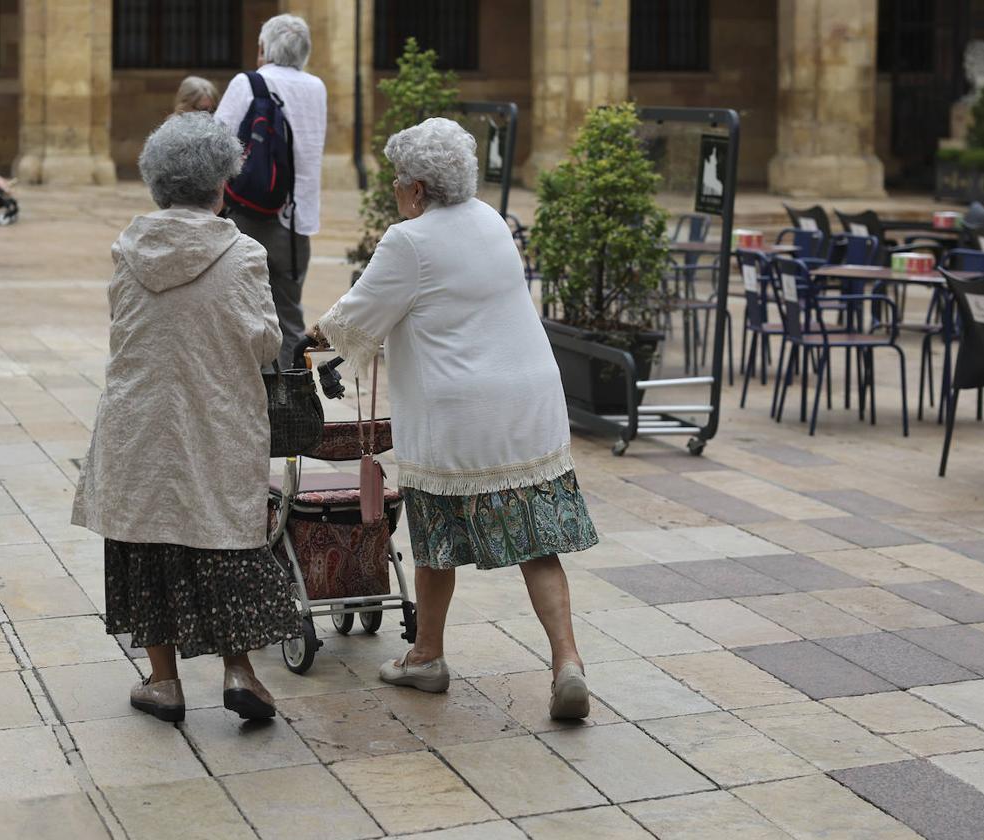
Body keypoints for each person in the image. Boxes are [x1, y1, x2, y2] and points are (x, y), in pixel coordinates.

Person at [309, 118, 600, 720]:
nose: (394, 190)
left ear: (416, 189)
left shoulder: (409, 240)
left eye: (397, 181)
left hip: (460, 415)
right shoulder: (491, 220)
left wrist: (313, 334)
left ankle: (428, 656)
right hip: (529, 403)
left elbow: (359, 315)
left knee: (435, 540)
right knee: (538, 544)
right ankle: (567, 661)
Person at [71, 112, 300, 724]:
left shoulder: (129, 248)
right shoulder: (244, 253)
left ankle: (164, 681)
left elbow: (122, 325)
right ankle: (239, 670)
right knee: (223, 540)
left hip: (138, 422)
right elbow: (264, 342)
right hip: (215, 419)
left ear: (157, 183)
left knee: (147, 546)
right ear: (222, 184)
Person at [215, 14, 327, 369]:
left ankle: (251, 404)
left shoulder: (248, 83)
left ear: (264, 48)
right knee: (289, 319)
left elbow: (216, 144)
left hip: (248, 218)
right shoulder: (317, 87)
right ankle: (291, 409)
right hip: (297, 225)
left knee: (241, 315)